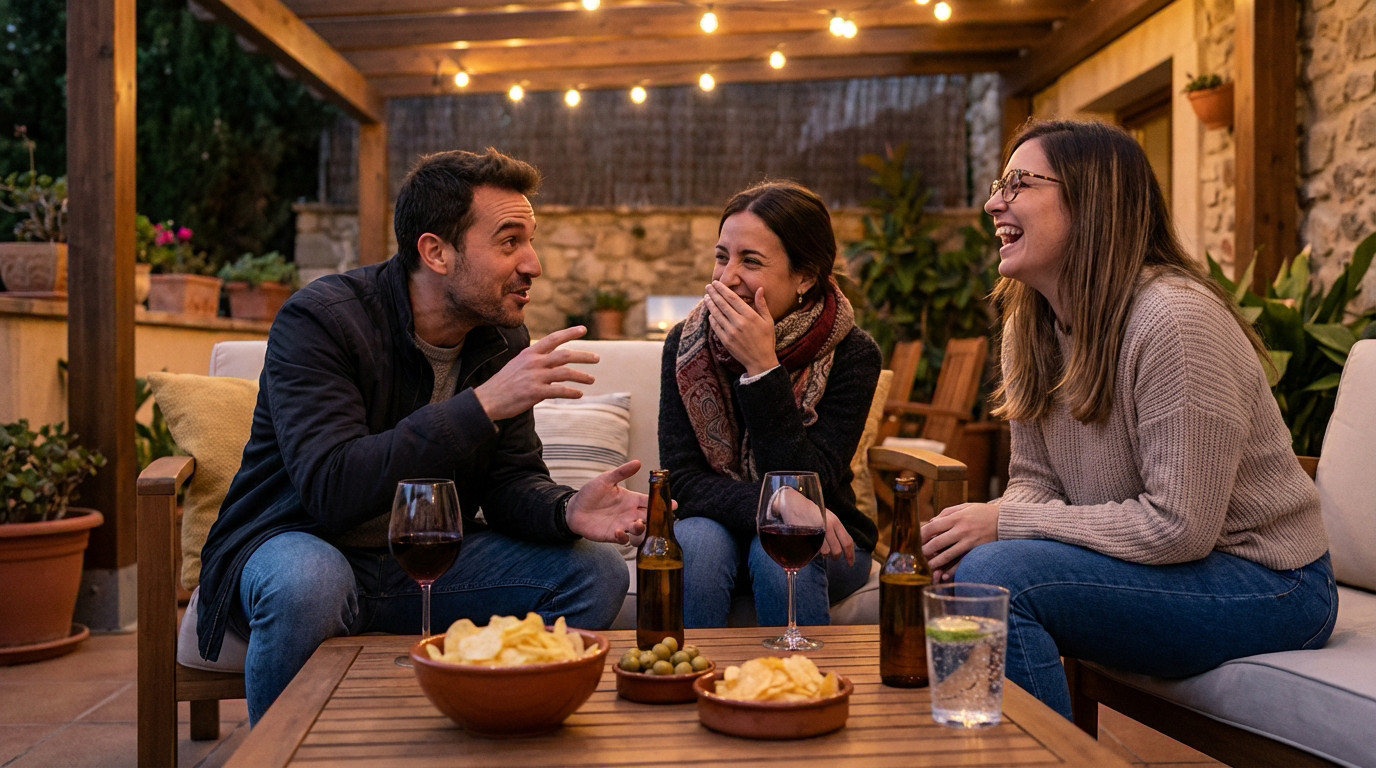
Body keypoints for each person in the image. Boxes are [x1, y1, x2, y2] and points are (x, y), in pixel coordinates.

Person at [195, 148, 648, 723]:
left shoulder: (498, 338)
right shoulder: (322, 320)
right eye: (510, 242)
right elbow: (331, 487)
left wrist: (567, 510)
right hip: (301, 542)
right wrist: (481, 405)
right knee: (310, 583)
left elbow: (510, 482)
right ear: (435, 251)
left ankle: (497, 734)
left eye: (531, 241)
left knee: (594, 570)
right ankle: (280, 756)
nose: (533, 263)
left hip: (424, 562)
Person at [920, 119, 1337, 718]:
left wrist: (1007, 524)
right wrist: (1003, 523)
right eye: (998, 184)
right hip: (1174, 563)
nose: (993, 203)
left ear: (1092, 200)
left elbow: (1181, 525)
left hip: (1271, 582)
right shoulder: (1029, 327)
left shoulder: (1174, 321)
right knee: (977, 567)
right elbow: (1036, 481)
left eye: (1018, 184)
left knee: (1002, 574)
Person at [659, 179, 881, 628]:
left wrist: (761, 369)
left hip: (825, 536)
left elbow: (809, 484)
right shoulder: (685, 346)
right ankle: (685, 686)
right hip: (714, 526)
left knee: (781, 545)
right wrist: (774, 501)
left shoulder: (854, 354)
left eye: (751, 261)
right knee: (699, 542)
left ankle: (798, 689)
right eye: (722, 257)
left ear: (805, 276)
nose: (726, 277)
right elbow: (682, 482)